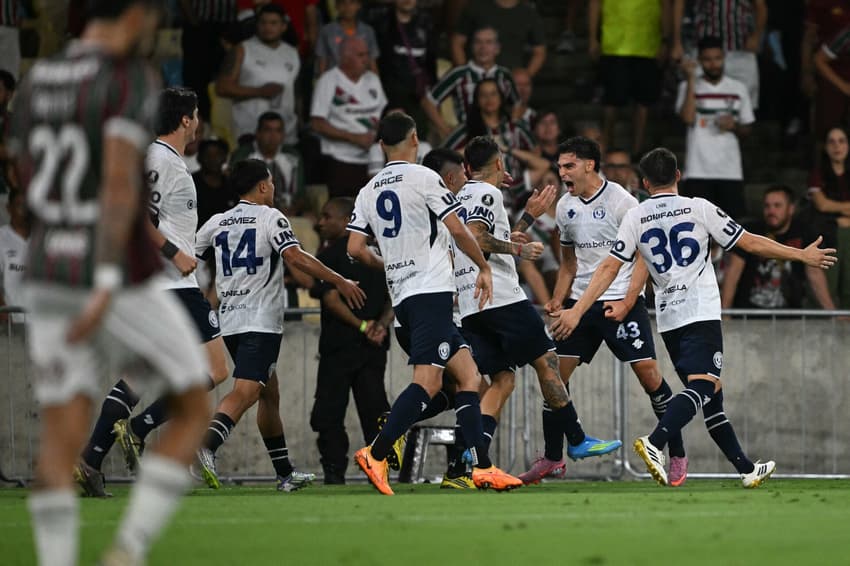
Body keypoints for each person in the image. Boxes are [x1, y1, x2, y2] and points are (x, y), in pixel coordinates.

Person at [9, 2, 212, 564]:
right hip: (112, 269)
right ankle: (126, 551)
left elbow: (21, 177)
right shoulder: (125, 77)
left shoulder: (37, 82)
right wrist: (105, 275)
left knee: (61, 428)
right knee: (196, 399)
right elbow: (123, 187)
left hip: (48, 265)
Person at [551, 147, 837, 487]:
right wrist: (799, 255)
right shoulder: (699, 207)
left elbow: (609, 268)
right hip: (700, 311)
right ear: (677, 176)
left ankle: (746, 469)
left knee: (711, 394)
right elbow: (749, 243)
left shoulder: (636, 216)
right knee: (702, 386)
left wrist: (577, 309)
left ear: (644, 182)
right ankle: (655, 442)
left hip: (669, 319)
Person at [346, 111, 521, 495]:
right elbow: (458, 229)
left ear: (380, 146)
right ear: (414, 139)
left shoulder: (368, 190)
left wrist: (390, 263)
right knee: (427, 383)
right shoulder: (426, 179)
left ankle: (482, 467)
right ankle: (375, 453)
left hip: (405, 297)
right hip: (430, 295)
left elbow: (355, 248)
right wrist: (482, 267)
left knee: (470, 378)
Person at [75, 87, 231, 498]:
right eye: (196, 115)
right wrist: (174, 253)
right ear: (185, 119)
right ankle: (139, 428)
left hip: (153, 284)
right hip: (172, 284)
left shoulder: (161, 159)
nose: (198, 122)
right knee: (217, 370)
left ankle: (91, 460)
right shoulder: (161, 161)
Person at [453, 136, 623, 485]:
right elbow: (475, 237)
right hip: (501, 297)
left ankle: (475, 459)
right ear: (499, 164)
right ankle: (576, 440)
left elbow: (488, 241)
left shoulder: (458, 198)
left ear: (467, 167)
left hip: (472, 305)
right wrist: (516, 251)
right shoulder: (487, 194)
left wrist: (527, 218)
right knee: (547, 360)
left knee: (503, 379)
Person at [519, 136, 685, 486]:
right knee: (553, 379)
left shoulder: (622, 202)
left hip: (619, 303)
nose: (562, 172)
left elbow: (642, 257)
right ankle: (553, 458)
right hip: (579, 304)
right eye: (561, 166)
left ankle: (677, 454)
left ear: (589, 165)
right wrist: (557, 298)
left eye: (568, 166)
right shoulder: (565, 206)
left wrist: (628, 300)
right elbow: (568, 263)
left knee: (650, 378)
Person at [193, 159, 364, 490]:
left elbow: (186, 257)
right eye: (270, 183)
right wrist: (340, 280)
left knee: (269, 394)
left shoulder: (218, 221)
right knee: (247, 390)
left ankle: (284, 473)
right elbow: (296, 257)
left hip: (230, 319)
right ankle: (207, 445)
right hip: (260, 320)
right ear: (262, 186)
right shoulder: (271, 217)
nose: (273, 188)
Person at [310, 197, 393, 484]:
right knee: (376, 413)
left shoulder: (329, 256)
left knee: (329, 414)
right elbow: (397, 294)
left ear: (347, 220)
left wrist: (362, 326)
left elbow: (331, 299)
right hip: (374, 349)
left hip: (339, 349)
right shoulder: (382, 254)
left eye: (326, 216)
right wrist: (380, 326)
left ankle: (334, 473)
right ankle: (379, 470)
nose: (320, 222)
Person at [677, 36, 755, 221]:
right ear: (700, 60)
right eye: (707, 59)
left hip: (730, 171)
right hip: (697, 170)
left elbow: (748, 129)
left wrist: (733, 126)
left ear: (724, 58)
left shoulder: (738, 88)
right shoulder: (687, 86)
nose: (713, 64)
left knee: (733, 228)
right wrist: (691, 79)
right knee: (696, 228)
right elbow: (687, 118)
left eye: (717, 58)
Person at [722, 185, 836, 311]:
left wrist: (832, 313)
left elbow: (814, 275)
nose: (771, 211)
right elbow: (733, 272)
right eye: (767, 206)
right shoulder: (750, 232)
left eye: (777, 206)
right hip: (750, 314)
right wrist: (725, 313)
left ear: (791, 209)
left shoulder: (804, 233)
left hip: (791, 315)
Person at [310, 36, 387, 198]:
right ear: (345, 57)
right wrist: (353, 138)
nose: (366, 60)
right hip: (341, 160)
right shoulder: (329, 80)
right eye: (360, 55)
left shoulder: (373, 80)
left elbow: (382, 113)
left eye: (367, 54)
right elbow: (317, 123)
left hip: (373, 160)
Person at [588, 0, 667, 155]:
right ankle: (605, 152)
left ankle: (637, 154)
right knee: (611, 102)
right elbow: (595, 3)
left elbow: (666, 5)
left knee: (643, 102)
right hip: (613, 44)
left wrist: (665, 39)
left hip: (648, 44)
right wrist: (592, 38)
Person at [443, 78, 535, 211]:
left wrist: (508, 149)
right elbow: (444, 158)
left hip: (516, 196)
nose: (489, 99)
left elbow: (537, 156)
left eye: (493, 94)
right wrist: (477, 147)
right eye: (483, 95)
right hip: (476, 199)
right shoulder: (466, 129)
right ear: (477, 100)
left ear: (501, 97)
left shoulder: (515, 128)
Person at [216, 4, 301, 146]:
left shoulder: (292, 53)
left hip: (286, 132)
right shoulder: (242, 50)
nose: (268, 27)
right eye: (263, 23)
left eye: (273, 23)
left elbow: (296, 93)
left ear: (283, 26)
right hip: (249, 131)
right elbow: (222, 88)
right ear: (257, 25)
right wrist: (260, 91)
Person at [422, 26, 519, 139]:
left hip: (499, 139)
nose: (483, 47)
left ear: (497, 48)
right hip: (468, 137)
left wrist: (511, 130)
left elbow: (517, 104)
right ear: (472, 47)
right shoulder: (458, 74)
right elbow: (428, 102)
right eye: (478, 42)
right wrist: (447, 131)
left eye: (488, 42)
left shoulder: (505, 75)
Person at [672, 0, 767, 110]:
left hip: (741, 50)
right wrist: (676, 42)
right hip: (705, 48)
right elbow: (679, 3)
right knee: (697, 102)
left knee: (745, 107)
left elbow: (761, 6)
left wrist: (756, 37)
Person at [370, 0, 437, 134]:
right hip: (390, 94)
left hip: (418, 95)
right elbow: (376, 63)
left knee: (419, 139)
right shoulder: (381, 23)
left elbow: (430, 60)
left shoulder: (426, 23)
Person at [806, 126, 850, 308]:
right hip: (828, 235)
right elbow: (822, 205)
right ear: (825, 147)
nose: (836, 146)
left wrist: (835, 208)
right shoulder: (818, 174)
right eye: (831, 141)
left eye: (841, 141)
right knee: (829, 288)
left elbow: (827, 205)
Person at [230, 111, 304, 216]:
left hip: (288, 211)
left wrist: (292, 210)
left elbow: (300, 194)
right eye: (268, 130)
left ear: (283, 135)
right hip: (252, 212)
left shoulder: (293, 156)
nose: (273, 136)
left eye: (278, 131)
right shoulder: (244, 155)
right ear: (258, 133)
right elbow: (236, 192)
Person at [452, 0, 546, 76]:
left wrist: (523, 79)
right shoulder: (475, 7)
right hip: (477, 79)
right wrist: (466, 74)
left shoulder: (529, 13)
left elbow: (539, 52)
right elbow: (457, 43)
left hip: (511, 79)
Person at [315, 0, 380, 73]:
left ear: (359, 5)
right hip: (335, 81)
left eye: (352, 2)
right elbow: (322, 64)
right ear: (336, 6)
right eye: (343, 3)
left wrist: (376, 82)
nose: (347, 7)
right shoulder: (326, 31)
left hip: (362, 81)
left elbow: (372, 64)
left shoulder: (368, 31)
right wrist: (323, 82)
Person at [194, 138, 237, 229]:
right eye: (208, 154)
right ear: (199, 158)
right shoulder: (189, 184)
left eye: (218, 154)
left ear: (225, 158)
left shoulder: (233, 187)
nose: (212, 159)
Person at [0, 187, 28, 324]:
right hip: (12, 325)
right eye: (19, 205)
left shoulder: (42, 237)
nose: (24, 210)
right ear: (8, 208)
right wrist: (3, 311)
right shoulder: (1, 238)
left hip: (42, 322)